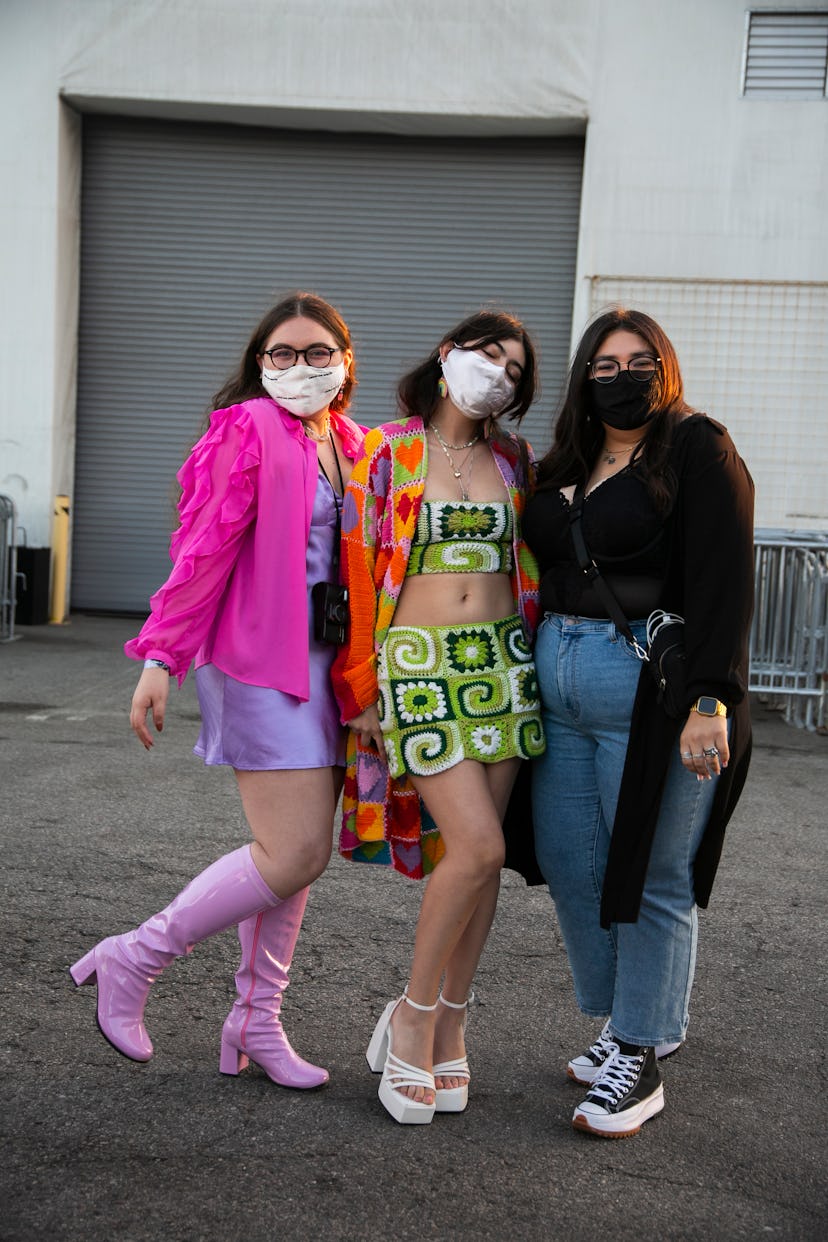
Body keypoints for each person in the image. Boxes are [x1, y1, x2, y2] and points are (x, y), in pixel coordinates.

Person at [70, 291, 364, 1089]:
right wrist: (160, 656)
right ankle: (135, 957)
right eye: (281, 354)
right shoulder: (246, 428)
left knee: (297, 860)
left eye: (315, 353)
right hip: (259, 662)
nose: (299, 368)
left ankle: (256, 1021)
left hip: (332, 668)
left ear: (344, 360)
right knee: (294, 849)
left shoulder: (356, 443)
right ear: (258, 364)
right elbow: (202, 551)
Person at [522, 307, 754, 1138]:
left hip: (653, 694)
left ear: (666, 367)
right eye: (606, 364)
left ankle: (640, 1053)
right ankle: (630, 1017)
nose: (624, 376)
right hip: (560, 687)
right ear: (586, 378)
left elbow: (726, 582)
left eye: (639, 360)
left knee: (652, 874)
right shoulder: (568, 461)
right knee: (572, 861)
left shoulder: (697, 447)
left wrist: (710, 700)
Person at [332, 309, 545, 1124]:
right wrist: (362, 689)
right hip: (419, 669)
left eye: (516, 369)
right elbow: (356, 573)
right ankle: (412, 1016)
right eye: (488, 354)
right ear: (448, 355)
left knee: (482, 861)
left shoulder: (516, 460)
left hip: (503, 668)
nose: (499, 372)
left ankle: (452, 1023)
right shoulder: (387, 452)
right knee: (480, 844)